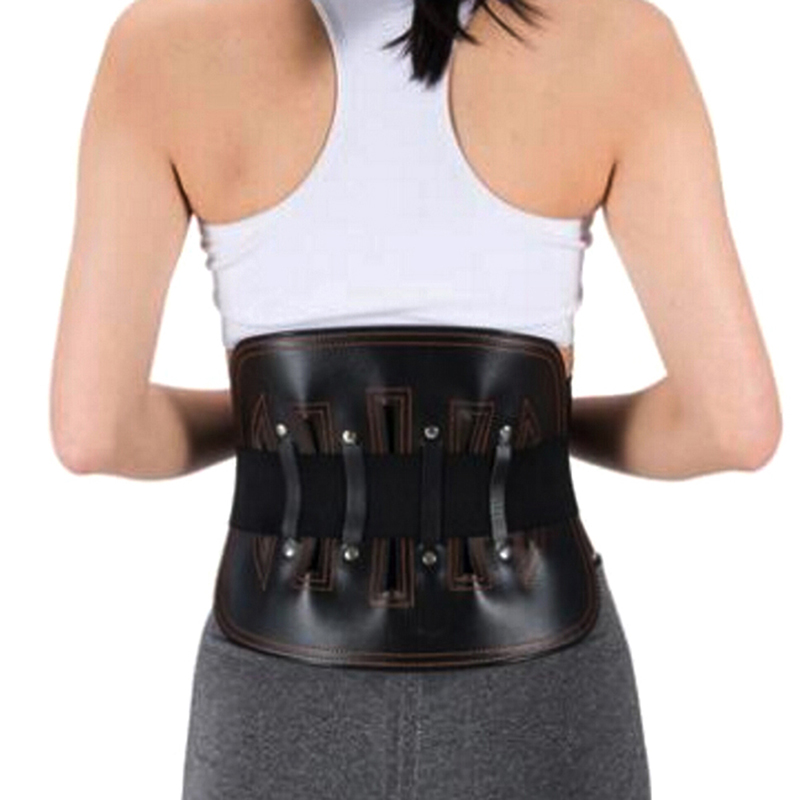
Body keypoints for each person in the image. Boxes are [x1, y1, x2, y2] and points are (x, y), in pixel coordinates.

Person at [50, 0, 782, 798]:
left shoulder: (165, 44)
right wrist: (536, 432)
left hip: (280, 695)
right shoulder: (616, 38)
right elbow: (732, 426)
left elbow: (96, 432)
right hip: (540, 692)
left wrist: (286, 434)